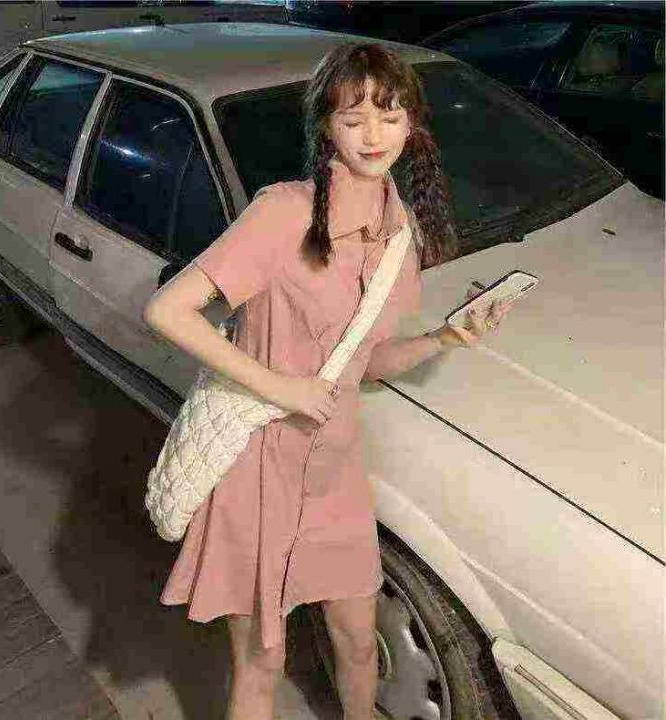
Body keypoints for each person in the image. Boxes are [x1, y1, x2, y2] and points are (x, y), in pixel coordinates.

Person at [143, 42, 513, 720]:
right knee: (262, 665)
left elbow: (364, 361)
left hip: (335, 474)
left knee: (361, 646)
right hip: (257, 470)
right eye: (354, 118)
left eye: (390, 116)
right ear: (326, 127)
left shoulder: (401, 236)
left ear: (412, 125)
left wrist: (445, 338)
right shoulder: (284, 212)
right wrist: (281, 388)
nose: (374, 135)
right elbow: (169, 310)